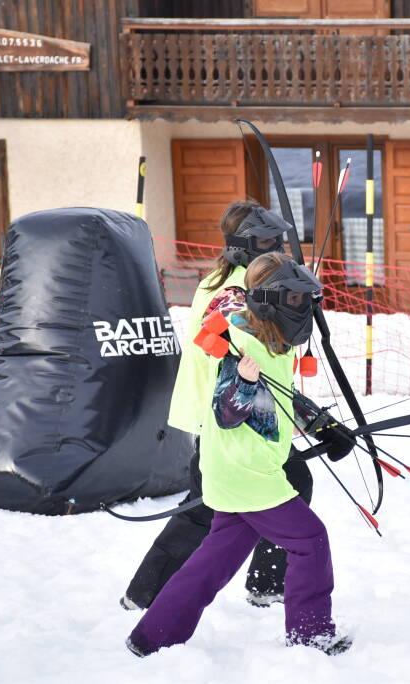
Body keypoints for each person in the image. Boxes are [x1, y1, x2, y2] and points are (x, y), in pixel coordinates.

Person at [126, 252, 352, 657]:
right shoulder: (242, 346)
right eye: (295, 300)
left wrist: (323, 425)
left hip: (240, 468)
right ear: (270, 300)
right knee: (309, 539)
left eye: (305, 300)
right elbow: (226, 413)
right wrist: (243, 384)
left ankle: (151, 636)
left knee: (212, 562)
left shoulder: (272, 340)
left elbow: (280, 397)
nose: (302, 307)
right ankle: (311, 634)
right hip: (247, 472)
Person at [121, 200, 315, 611]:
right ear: (244, 243)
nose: (275, 244)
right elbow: (231, 338)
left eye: (276, 238)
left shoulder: (239, 276)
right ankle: (146, 594)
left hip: (234, 409)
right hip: (223, 413)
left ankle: (265, 582)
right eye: (265, 240)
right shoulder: (234, 288)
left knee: (284, 483)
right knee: (205, 509)